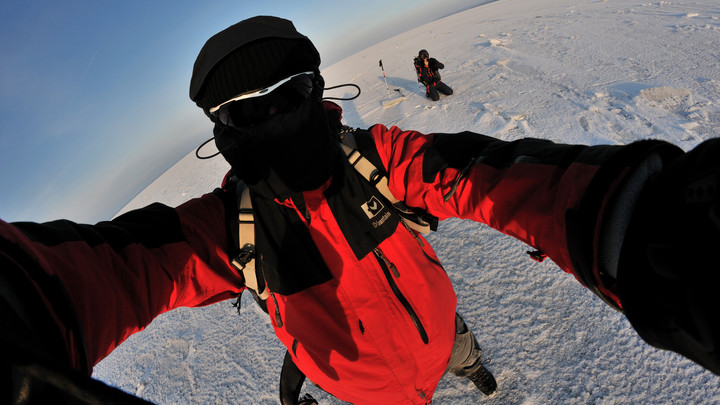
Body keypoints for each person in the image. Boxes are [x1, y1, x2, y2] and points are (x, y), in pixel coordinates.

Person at [2, 14, 719, 405]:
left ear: (317, 90)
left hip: (439, 334)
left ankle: (470, 370)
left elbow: (496, 176)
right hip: (370, 392)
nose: (276, 121)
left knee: (461, 351)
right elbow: (106, 271)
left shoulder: (377, 160)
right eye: (247, 114)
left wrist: (644, 218)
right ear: (221, 133)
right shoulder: (222, 231)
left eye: (290, 95)